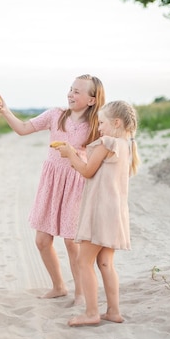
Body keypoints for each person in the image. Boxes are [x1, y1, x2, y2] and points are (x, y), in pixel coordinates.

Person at [0, 75, 105, 305]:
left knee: (72, 243)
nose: (71, 94)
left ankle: (81, 293)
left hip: (76, 183)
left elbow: (105, 153)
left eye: (78, 92)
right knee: (42, 240)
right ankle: (59, 286)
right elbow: (22, 129)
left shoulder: (96, 124)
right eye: (70, 89)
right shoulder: (55, 115)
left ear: (92, 100)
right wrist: (5, 110)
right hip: (51, 182)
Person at [54, 100, 140, 326]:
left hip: (100, 211)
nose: (99, 128)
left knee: (84, 261)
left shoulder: (107, 142)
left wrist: (70, 154)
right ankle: (113, 311)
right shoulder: (127, 145)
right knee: (106, 263)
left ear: (116, 123)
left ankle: (91, 313)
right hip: (115, 213)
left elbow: (87, 171)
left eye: (102, 123)